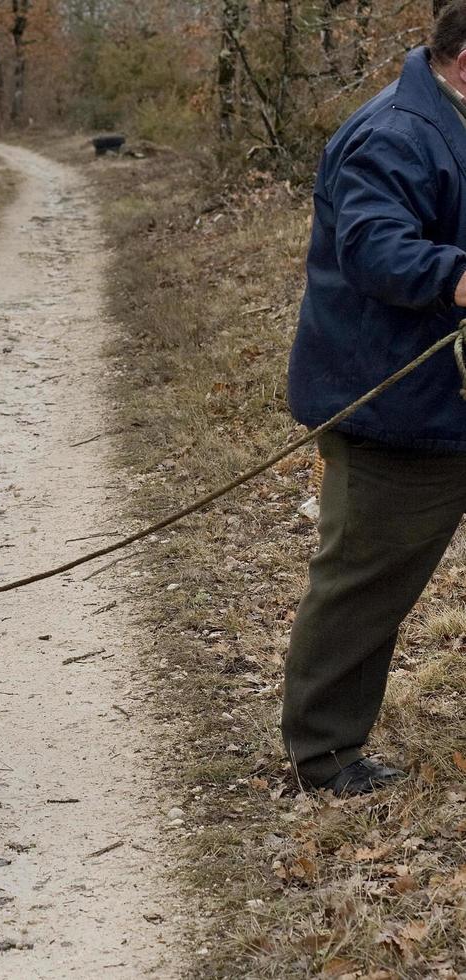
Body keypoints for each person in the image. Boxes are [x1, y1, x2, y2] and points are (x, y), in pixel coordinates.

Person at [284, 1, 466, 796]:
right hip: (394, 406)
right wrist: (454, 274)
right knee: (364, 582)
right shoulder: (394, 133)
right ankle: (325, 754)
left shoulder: (451, 117)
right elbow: (374, 245)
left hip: (450, 398)